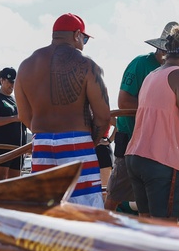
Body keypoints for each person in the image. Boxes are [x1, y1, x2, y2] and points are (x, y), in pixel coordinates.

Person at [14, 13, 111, 207]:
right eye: (84, 39)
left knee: (46, 210)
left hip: (41, 144)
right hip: (78, 143)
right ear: (76, 35)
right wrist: (89, 142)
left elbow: (24, 116)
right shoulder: (88, 66)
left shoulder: (25, 66)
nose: (83, 43)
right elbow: (103, 116)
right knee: (86, 212)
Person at [125, 26, 179, 219]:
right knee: (165, 225)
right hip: (161, 159)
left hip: (135, 155)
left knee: (145, 221)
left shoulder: (152, 75)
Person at [104, 23, 172, 212]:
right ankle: (103, 234)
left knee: (150, 199)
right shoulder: (140, 63)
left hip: (158, 143)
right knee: (115, 194)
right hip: (131, 139)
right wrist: (157, 111)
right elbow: (124, 101)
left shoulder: (175, 70)